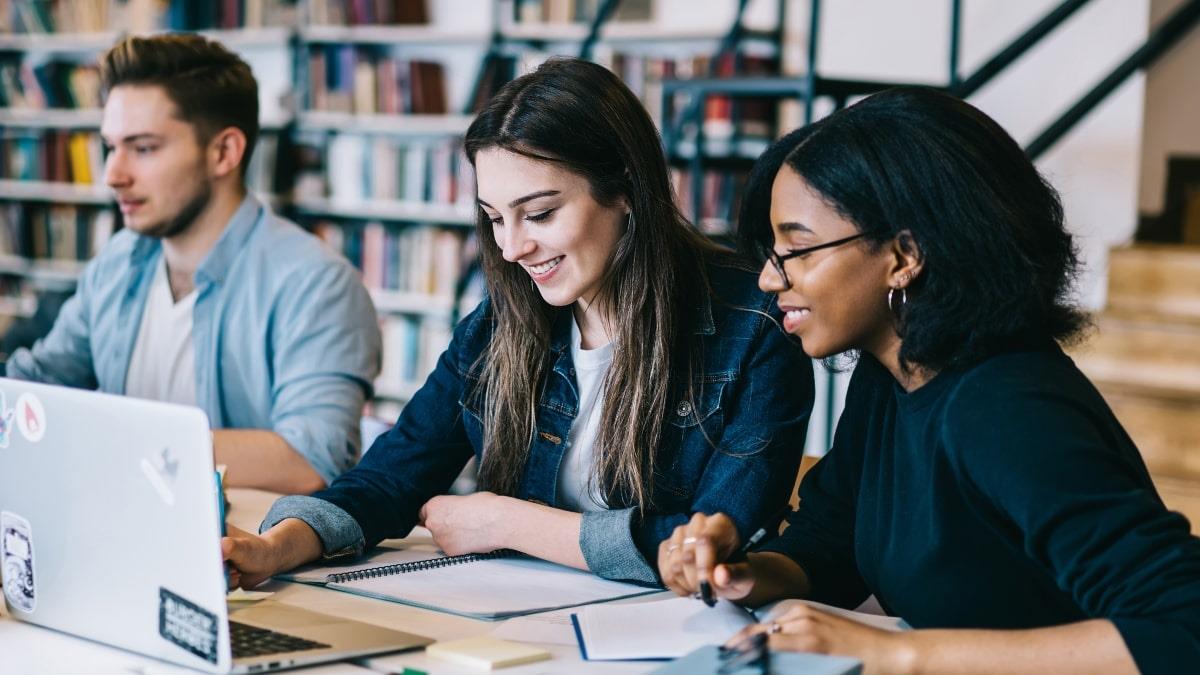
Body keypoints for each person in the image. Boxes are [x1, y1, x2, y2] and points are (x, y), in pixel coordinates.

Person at [658, 87, 1200, 674]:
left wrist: (899, 654)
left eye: (796, 248)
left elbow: (1182, 628)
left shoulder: (1006, 406)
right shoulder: (891, 376)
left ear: (904, 255)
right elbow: (828, 549)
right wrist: (741, 575)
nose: (769, 278)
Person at [221, 57, 814, 586]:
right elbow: (388, 479)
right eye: (494, 218)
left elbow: (703, 550)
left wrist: (510, 521)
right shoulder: (497, 327)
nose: (511, 249)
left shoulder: (757, 325)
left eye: (539, 214)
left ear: (627, 190)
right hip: (525, 624)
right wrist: (275, 547)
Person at [3, 35, 381, 494]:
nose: (112, 175)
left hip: (243, 556)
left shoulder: (316, 283)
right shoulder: (120, 260)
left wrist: (116, 443)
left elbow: (312, 459)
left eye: (142, 148)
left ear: (224, 152)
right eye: (111, 146)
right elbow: (38, 383)